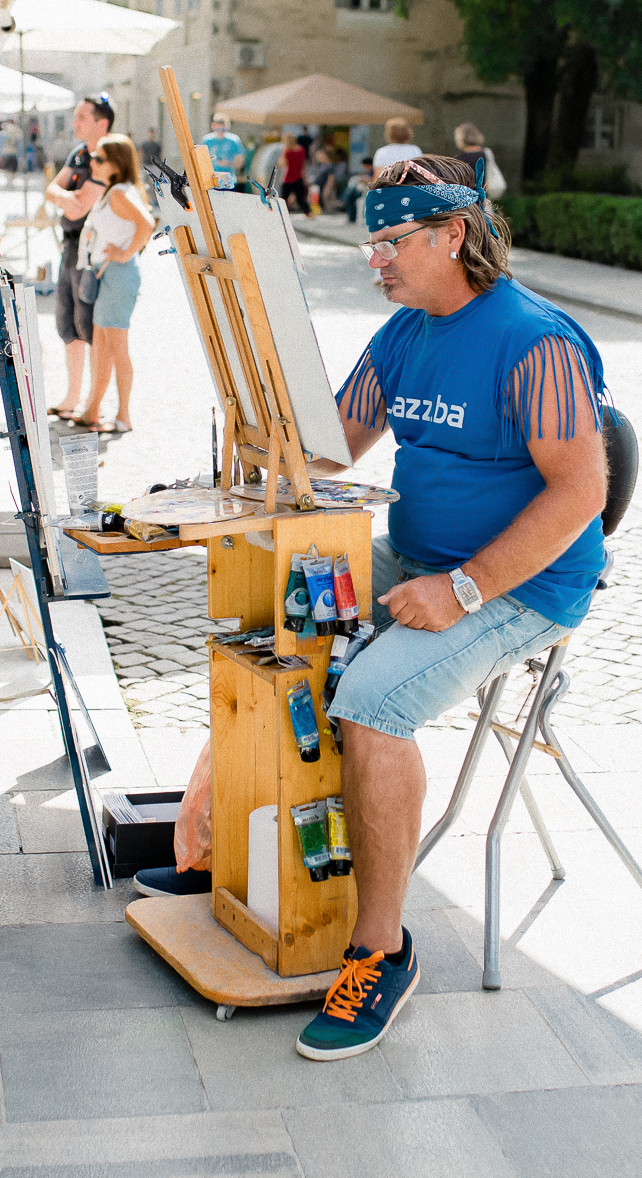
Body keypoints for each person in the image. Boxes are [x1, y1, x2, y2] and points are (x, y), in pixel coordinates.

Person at [289, 153, 607, 1062]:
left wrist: (463, 588)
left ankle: (379, 952)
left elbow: (581, 492)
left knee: (375, 704)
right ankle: (216, 838)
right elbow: (332, 448)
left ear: (453, 235)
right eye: (372, 245)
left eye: (392, 243)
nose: (377, 261)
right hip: (420, 555)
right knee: (282, 618)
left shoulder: (533, 341)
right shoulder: (403, 333)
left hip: (521, 586)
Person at [73, 136, 154, 434]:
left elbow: (147, 223)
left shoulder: (120, 193)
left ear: (116, 163)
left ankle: (124, 417)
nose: (93, 161)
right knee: (103, 348)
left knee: (117, 348)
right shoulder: (115, 191)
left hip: (117, 274)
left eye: (99, 157)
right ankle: (93, 409)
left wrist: (126, 252)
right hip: (108, 274)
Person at [44, 94, 115, 418]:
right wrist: (66, 196)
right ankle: (73, 397)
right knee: (68, 324)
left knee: (91, 325)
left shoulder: (109, 155)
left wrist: (66, 196)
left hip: (94, 251)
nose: (74, 123)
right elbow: (52, 190)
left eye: (81, 117)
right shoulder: (78, 153)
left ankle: (94, 402)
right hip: (70, 246)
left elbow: (84, 204)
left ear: (102, 122)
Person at [454, 121, 506, 198]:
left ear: (460, 138)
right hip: (483, 200)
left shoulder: (459, 159)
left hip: (466, 200)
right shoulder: (486, 154)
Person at [199, 114, 246, 190]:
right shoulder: (207, 140)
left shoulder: (234, 140)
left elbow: (240, 163)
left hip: (228, 181)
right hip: (211, 180)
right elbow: (201, 161)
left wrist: (228, 163)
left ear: (228, 127)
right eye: (218, 128)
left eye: (223, 129)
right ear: (213, 126)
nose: (221, 131)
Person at [279, 130, 310, 215]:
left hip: (288, 178)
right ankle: (308, 213)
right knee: (301, 199)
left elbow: (281, 164)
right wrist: (305, 178)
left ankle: (282, 213)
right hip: (298, 177)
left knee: (283, 198)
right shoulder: (301, 150)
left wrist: (283, 152)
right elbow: (304, 165)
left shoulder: (287, 151)